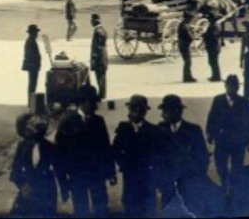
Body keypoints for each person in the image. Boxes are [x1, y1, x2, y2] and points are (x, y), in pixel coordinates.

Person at [55, 84, 115, 217]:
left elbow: (106, 147)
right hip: (77, 175)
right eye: (92, 102)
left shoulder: (99, 121)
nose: (95, 106)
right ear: (82, 102)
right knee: (81, 209)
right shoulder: (67, 122)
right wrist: (63, 179)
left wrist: (111, 172)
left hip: (97, 174)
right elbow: (60, 154)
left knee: (101, 207)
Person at [155, 94, 210, 209]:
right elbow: (156, 157)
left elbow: (203, 157)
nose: (162, 114)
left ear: (177, 111)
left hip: (189, 183)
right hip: (168, 184)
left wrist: (196, 178)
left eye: (165, 110)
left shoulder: (193, 130)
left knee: (190, 210)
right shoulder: (159, 129)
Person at [112, 94, 159, 218]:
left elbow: (157, 153)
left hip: (147, 175)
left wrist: (152, 166)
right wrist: (123, 163)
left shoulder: (152, 130)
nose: (136, 112)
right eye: (133, 109)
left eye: (140, 109)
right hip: (130, 174)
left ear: (144, 112)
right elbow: (115, 149)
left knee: (148, 205)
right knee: (129, 203)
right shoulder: (123, 128)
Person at [206, 74, 249, 198]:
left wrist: (247, 138)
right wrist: (210, 133)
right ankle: (225, 183)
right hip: (222, 139)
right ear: (225, 86)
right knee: (220, 163)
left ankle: (234, 188)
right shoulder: (218, 100)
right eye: (230, 86)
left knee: (237, 166)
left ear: (238, 88)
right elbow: (212, 118)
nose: (232, 88)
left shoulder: (243, 101)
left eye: (235, 86)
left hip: (237, 140)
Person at [9, 114, 60, 217]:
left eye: (38, 128)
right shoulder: (22, 146)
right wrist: (22, 185)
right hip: (27, 189)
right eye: (31, 127)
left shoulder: (51, 147)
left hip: (47, 190)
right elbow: (15, 169)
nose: (33, 131)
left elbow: (60, 169)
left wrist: (65, 189)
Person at [90, 13, 109, 100]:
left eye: (91, 21)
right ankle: (102, 93)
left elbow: (97, 47)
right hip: (103, 55)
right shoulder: (103, 30)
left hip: (99, 56)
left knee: (99, 76)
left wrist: (94, 57)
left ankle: (101, 94)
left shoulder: (97, 32)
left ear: (94, 21)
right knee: (102, 76)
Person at [22, 24, 42, 101]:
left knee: (32, 83)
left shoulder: (31, 40)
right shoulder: (31, 41)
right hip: (32, 65)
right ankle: (31, 100)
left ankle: (31, 100)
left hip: (33, 65)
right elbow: (31, 55)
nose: (37, 34)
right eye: (36, 32)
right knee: (32, 84)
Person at [202, 10, 222, 82]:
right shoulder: (213, 25)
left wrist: (205, 35)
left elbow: (213, 35)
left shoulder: (214, 26)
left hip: (213, 46)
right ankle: (214, 75)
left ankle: (216, 76)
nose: (209, 20)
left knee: (213, 62)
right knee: (212, 62)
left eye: (209, 18)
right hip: (212, 46)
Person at [178, 9, 197, 83]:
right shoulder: (185, 26)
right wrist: (194, 36)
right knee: (188, 62)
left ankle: (188, 77)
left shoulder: (183, 24)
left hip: (183, 44)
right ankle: (187, 78)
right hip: (184, 45)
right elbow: (189, 36)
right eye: (190, 18)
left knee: (187, 62)